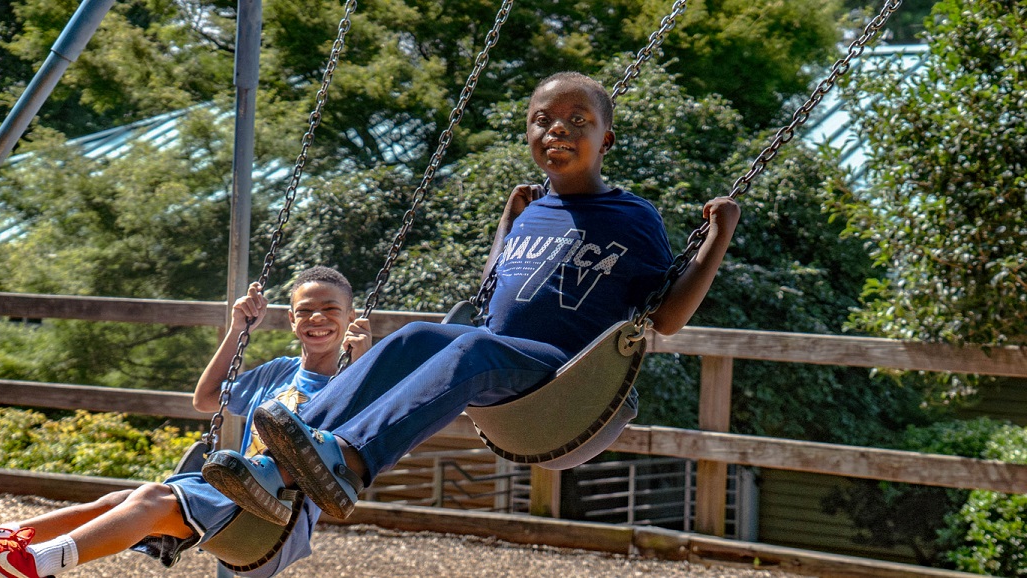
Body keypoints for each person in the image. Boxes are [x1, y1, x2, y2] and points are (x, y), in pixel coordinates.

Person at [207, 71, 741, 524]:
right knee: (417, 336)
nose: (558, 128)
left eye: (579, 120)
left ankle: (352, 460)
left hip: (565, 373)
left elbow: (665, 317)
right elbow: (492, 290)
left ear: (607, 141)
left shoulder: (632, 216)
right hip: (501, 353)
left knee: (472, 348)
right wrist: (508, 222)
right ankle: (284, 451)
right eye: (543, 119)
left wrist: (717, 238)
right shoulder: (535, 210)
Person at [0, 266, 371, 578]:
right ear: (290, 319)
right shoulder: (278, 372)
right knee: (120, 500)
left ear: (351, 317)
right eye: (305, 310)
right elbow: (206, 399)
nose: (317, 318)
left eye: (330, 309)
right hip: (234, 493)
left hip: (276, 517)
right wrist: (236, 331)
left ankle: (28, 564)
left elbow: (362, 440)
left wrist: (366, 362)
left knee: (149, 498)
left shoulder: (357, 382)